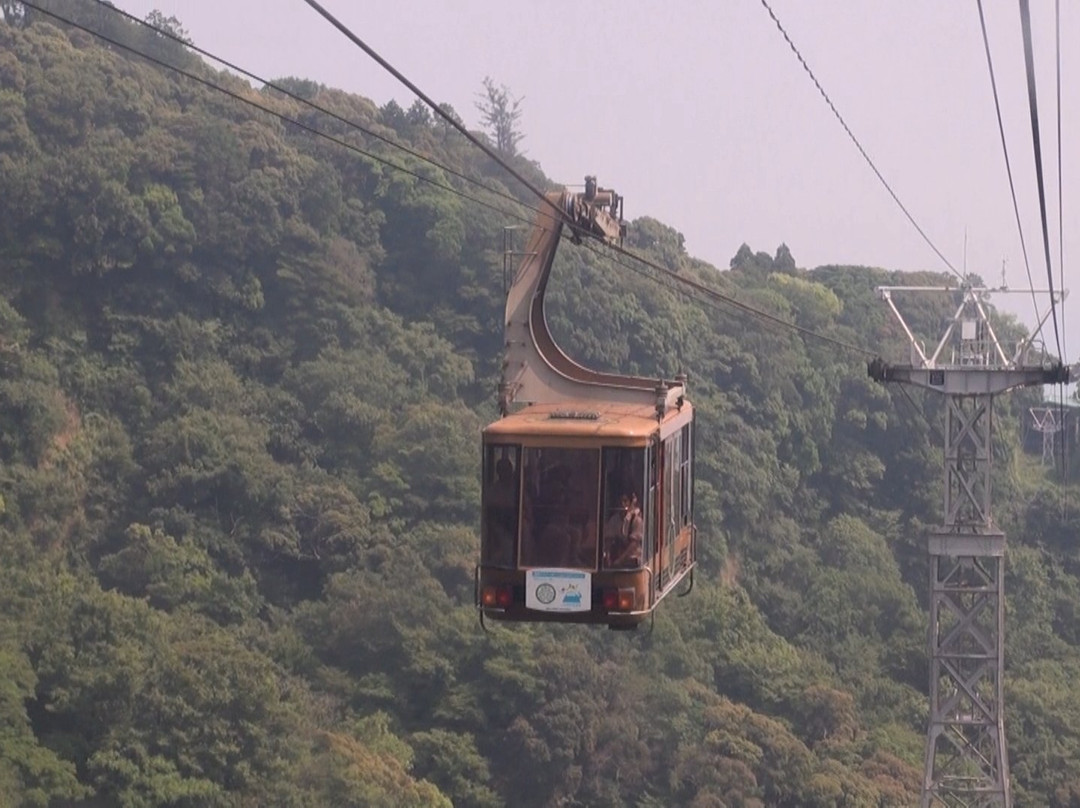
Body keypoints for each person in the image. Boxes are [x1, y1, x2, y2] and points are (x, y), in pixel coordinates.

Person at [606, 493, 644, 568]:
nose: (622, 504)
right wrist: (607, 557)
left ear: (630, 503)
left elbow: (633, 545)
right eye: (620, 502)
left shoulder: (636, 521)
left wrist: (620, 560)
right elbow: (608, 541)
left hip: (632, 560)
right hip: (616, 558)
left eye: (625, 501)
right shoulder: (614, 520)